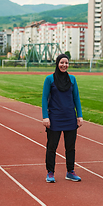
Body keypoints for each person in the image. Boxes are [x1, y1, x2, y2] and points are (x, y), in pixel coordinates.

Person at [42, 53, 83, 183]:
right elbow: (44, 99)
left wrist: (79, 115)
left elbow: (76, 98)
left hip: (70, 117)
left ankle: (70, 171)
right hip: (55, 117)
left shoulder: (72, 79)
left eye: (66, 63)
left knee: (70, 147)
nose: (64, 65)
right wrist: (45, 117)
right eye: (62, 63)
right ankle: (50, 172)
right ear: (57, 63)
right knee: (52, 146)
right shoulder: (49, 79)